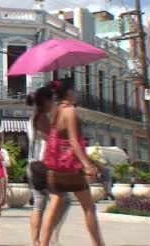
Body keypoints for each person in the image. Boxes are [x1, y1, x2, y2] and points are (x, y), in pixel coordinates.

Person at [40, 79, 104, 246]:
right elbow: (74, 142)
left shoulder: (54, 112)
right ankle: (99, 244)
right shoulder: (70, 112)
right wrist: (87, 165)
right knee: (89, 207)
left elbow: (56, 138)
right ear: (68, 92)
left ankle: (43, 243)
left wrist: (91, 161)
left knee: (53, 207)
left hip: (54, 168)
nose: (75, 94)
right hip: (70, 169)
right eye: (74, 91)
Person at [26, 86, 71, 246]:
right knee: (63, 200)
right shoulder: (43, 118)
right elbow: (53, 139)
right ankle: (49, 237)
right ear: (45, 101)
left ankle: (36, 241)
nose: (54, 102)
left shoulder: (33, 118)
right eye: (52, 99)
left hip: (33, 165)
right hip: (45, 165)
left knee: (39, 204)